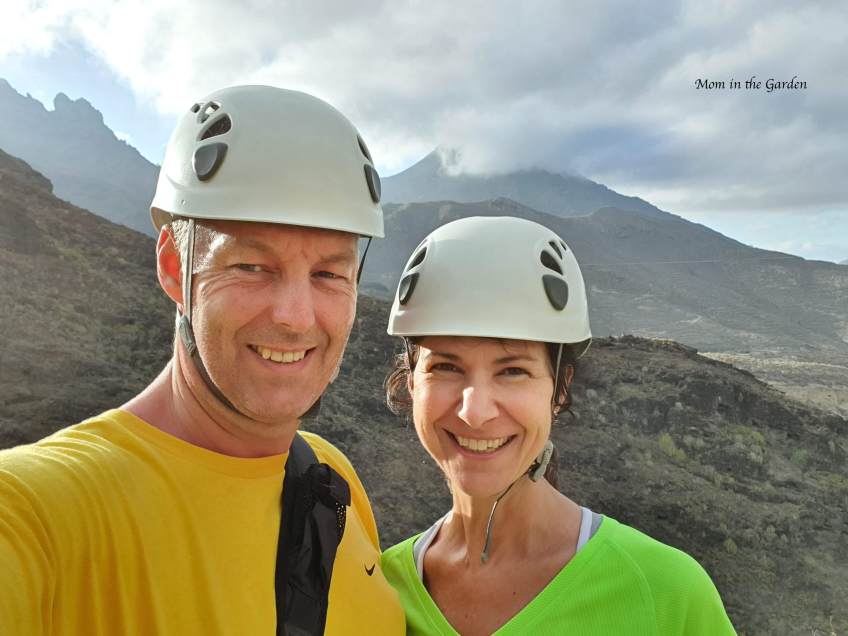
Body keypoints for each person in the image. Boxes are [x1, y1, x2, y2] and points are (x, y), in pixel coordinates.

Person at [0, 85, 404, 635]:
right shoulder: (36, 511)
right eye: (251, 266)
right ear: (174, 267)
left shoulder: (334, 483)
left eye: (330, 274)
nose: (295, 316)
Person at [381, 216, 736, 635]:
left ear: (559, 389)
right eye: (445, 367)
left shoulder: (666, 593)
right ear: (410, 382)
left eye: (512, 371)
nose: (474, 411)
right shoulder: (382, 589)